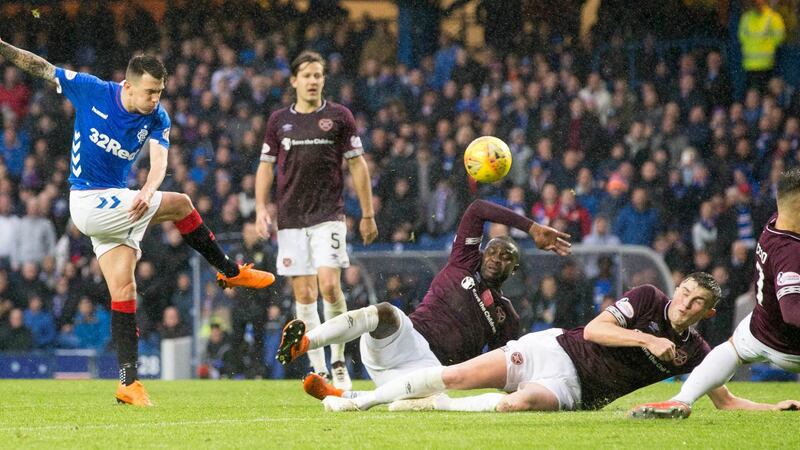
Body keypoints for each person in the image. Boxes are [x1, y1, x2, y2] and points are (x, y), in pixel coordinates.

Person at [0, 39, 275, 406]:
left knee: (124, 290)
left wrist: (147, 187)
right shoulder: (91, 90)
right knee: (181, 204)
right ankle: (228, 270)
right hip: (87, 200)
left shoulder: (157, 117)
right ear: (128, 86)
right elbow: (40, 65)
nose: (154, 100)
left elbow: (160, 162)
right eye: (149, 93)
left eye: (159, 92)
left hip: (118, 204)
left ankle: (127, 382)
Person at [320, 273, 796, 413]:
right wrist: (645, 343)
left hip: (578, 393)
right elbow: (594, 331)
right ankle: (358, 401)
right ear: (678, 290)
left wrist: (772, 411)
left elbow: (725, 401)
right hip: (557, 349)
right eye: (686, 294)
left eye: (697, 305)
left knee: (517, 406)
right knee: (457, 375)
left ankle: (433, 407)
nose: (686, 304)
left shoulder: (697, 351)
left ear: (708, 314)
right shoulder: (648, 299)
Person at [276, 199, 571, 401]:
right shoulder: (464, 260)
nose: (496, 259)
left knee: (424, 403)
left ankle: (341, 397)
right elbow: (478, 208)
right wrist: (532, 228)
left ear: (514, 269)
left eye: (506, 257)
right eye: (492, 251)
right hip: (404, 341)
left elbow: (502, 367)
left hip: (430, 372)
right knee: (386, 312)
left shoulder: (506, 316)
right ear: (482, 252)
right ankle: (303, 343)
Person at [631, 168, 800, 418]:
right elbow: (793, 312)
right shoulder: (790, 252)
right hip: (791, 346)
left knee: (731, 349)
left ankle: (681, 399)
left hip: (760, 331)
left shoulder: (774, 224)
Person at [255, 50, 378, 390]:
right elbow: (265, 167)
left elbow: (357, 165)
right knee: (306, 295)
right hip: (291, 218)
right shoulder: (279, 121)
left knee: (328, 286)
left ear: (324, 80)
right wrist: (261, 208)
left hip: (328, 215)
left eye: (318, 75)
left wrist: (367, 214)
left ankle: (339, 361)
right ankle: (319, 369)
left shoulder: (339, 117)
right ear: (294, 81)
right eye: (306, 75)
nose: (313, 81)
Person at [738, 0, 785, 93]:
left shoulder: (773, 17)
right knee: (752, 96)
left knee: (766, 96)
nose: (756, 4)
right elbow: (741, 37)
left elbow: (779, 38)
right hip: (750, 66)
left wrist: (766, 46)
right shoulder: (746, 18)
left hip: (767, 65)